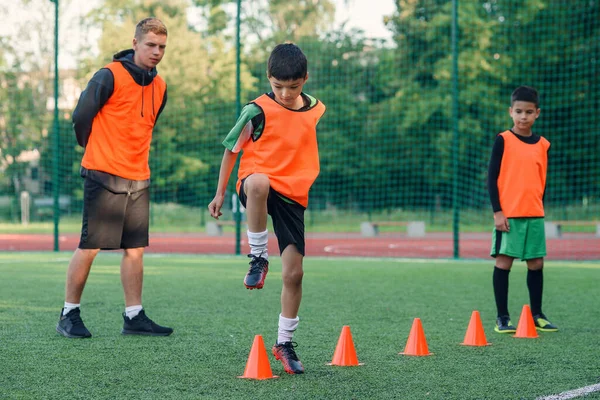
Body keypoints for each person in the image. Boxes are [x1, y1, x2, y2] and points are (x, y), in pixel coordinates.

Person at [208, 43, 326, 374]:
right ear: (268, 78)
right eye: (278, 86)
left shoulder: (316, 109)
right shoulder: (256, 111)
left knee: (294, 274)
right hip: (256, 182)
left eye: (293, 86)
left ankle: (284, 344)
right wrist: (219, 194)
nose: (286, 93)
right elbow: (232, 150)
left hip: (293, 194)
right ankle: (258, 256)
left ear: (305, 78)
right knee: (258, 182)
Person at [56, 17, 173, 339]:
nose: (156, 52)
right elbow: (81, 115)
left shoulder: (161, 86)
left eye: (162, 47)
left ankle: (134, 316)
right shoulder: (109, 75)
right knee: (91, 246)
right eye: (150, 45)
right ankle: (69, 313)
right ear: (135, 43)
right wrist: (91, 147)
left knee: (135, 249)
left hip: (139, 176)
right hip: (103, 173)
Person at [487, 85, 558, 334]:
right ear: (511, 112)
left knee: (536, 264)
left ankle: (537, 314)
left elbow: (541, 180)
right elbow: (491, 178)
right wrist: (498, 212)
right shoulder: (503, 140)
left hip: (535, 215)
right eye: (519, 111)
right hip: (509, 216)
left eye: (529, 112)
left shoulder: (544, 145)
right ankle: (503, 318)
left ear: (537, 113)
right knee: (504, 263)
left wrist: (539, 206)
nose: (523, 116)